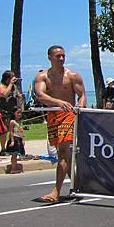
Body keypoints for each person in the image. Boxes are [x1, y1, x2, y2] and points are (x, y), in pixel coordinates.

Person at [34, 45, 86, 203]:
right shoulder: (42, 77)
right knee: (64, 153)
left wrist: (80, 107)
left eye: (63, 56)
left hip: (69, 115)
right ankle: (78, 186)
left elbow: (82, 95)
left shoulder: (72, 75)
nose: (61, 59)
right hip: (53, 115)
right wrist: (58, 102)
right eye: (58, 56)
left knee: (63, 151)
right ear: (49, 57)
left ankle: (55, 192)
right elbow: (40, 94)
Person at [0, 70, 22, 155]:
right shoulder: (1, 86)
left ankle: (12, 147)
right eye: (12, 77)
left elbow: (18, 96)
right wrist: (11, 84)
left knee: (13, 130)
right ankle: (3, 149)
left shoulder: (13, 86)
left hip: (13, 111)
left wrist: (19, 96)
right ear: (8, 78)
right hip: (4, 112)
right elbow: (4, 94)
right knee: (4, 131)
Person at [6, 108, 25, 173]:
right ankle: (13, 169)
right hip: (15, 139)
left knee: (16, 154)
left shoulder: (19, 122)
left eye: (20, 113)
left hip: (19, 139)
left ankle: (15, 167)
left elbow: (21, 132)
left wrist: (23, 139)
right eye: (18, 113)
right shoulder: (12, 122)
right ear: (14, 113)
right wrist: (12, 141)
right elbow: (11, 132)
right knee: (14, 154)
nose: (19, 114)